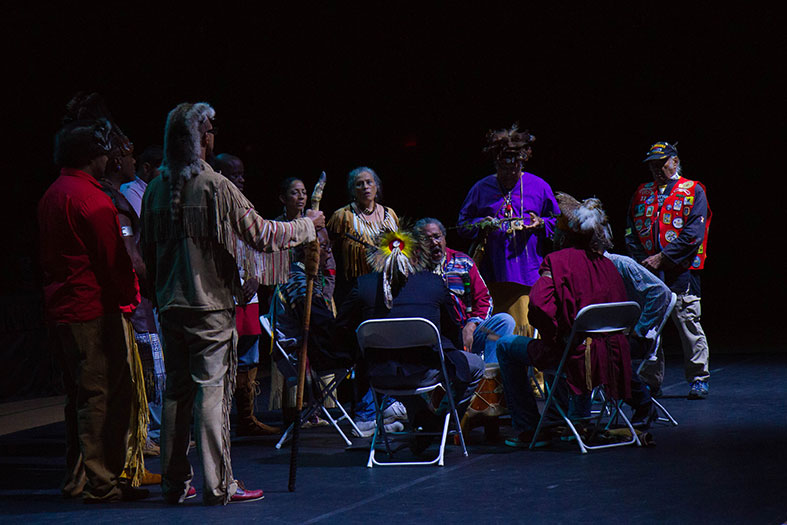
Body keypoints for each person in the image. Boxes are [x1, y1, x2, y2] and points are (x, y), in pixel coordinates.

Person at [140, 102, 323, 505]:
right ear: (200, 138)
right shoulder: (215, 186)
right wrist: (307, 225)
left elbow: (147, 254)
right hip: (208, 308)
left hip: (170, 305)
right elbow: (262, 234)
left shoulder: (154, 188)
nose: (213, 135)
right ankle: (219, 484)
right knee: (211, 392)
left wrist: (160, 293)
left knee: (176, 393)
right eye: (209, 129)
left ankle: (174, 483)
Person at [38, 117, 149, 503]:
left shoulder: (54, 192)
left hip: (64, 309)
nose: (111, 159)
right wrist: (131, 299)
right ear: (93, 155)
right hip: (93, 309)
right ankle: (103, 483)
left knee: (81, 398)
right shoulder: (90, 198)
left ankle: (81, 479)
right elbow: (113, 262)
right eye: (106, 152)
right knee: (103, 397)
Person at [495, 194, 632, 448]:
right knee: (567, 345)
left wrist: (555, 334)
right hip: (612, 355)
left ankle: (528, 427)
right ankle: (565, 419)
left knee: (505, 347)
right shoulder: (609, 266)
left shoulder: (557, 261)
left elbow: (538, 306)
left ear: (564, 236)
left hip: (573, 355)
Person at [334, 227, 484, 454]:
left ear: (379, 257)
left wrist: (361, 354)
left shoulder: (363, 286)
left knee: (403, 372)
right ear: (416, 255)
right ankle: (441, 421)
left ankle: (425, 419)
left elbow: (342, 327)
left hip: (378, 376)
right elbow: (453, 329)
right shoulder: (433, 284)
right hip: (426, 372)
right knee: (476, 366)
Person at [625, 141, 712, 399]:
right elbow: (630, 231)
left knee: (688, 324)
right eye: (652, 164)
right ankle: (651, 380)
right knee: (651, 327)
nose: (656, 168)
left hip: (681, 270)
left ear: (674, 161)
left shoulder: (693, 190)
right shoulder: (642, 192)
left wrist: (661, 258)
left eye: (661, 163)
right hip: (649, 272)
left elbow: (694, 234)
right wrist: (642, 261)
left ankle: (699, 378)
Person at [457, 124, 559, 338]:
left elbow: (559, 224)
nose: (511, 172)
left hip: (528, 274)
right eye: (504, 168)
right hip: (493, 274)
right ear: (496, 163)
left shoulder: (539, 186)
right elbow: (462, 225)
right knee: (498, 334)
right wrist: (480, 225)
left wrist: (540, 223)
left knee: (527, 332)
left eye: (516, 167)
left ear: (523, 161)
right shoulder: (480, 188)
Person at [326, 167, 405, 436]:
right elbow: (329, 253)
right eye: (359, 184)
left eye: (369, 182)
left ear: (377, 185)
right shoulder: (342, 217)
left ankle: (389, 404)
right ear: (352, 189)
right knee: (364, 352)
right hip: (358, 294)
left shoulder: (390, 214)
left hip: (389, 292)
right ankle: (365, 413)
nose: (365, 187)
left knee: (389, 349)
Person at [213, 153, 279, 437]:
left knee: (249, 357)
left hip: (247, 295)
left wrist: (255, 277)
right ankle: (220, 421)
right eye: (234, 174)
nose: (240, 180)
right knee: (222, 359)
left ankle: (247, 418)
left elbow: (257, 249)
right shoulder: (213, 209)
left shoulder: (246, 209)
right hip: (222, 296)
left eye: (242, 175)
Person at [121, 145, 166, 456]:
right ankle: (145, 433)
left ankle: (156, 431)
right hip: (141, 294)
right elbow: (138, 250)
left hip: (152, 292)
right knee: (147, 362)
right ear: (149, 169)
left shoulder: (148, 191)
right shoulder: (130, 193)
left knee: (156, 363)